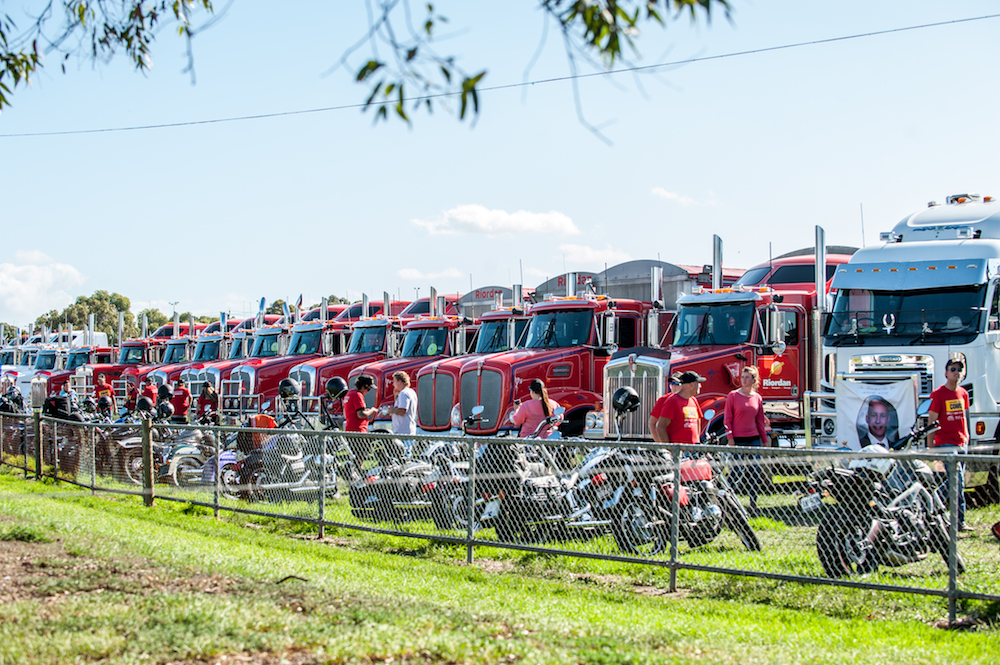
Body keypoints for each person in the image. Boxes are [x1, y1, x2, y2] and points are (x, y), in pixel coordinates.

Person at [928, 359, 972, 532]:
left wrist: (967, 435)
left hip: (961, 442)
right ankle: (958, 521)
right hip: (945, 443)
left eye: (960, 370)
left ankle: (932, 503)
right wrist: (930, 445)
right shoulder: (938, 394)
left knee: (955, 481)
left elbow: (964, 416)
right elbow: (932, 420)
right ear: (946, 373)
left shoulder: (963, 393)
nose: (957, 372)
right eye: (953, 369)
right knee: (957, 480)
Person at [724, 366, 770, 515]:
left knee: (755, 471)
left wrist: (764, 439)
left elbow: (760, 420)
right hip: (738, 438)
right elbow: (727, 419)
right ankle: (726, 501)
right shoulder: (733, 396)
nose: (744, 380)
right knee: (736, 471)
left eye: (747, 377)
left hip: (753, 438)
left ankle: (753, 504)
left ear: (753, 380)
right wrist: (730, 437)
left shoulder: (757, 398)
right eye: (742, 377)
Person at [652, 371, 705, 444]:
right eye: (698, 384)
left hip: (693, 452)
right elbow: (660, 427)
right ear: (691, 385)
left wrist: (697, 442)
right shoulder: (672, 401)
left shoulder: (693, 400)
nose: (700, 386)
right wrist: (669, 449)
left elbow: (697, 422)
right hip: (678, 452)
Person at [343, 375, 380, 464]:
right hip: (358, 430)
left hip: (350, 428)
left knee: (356, 455)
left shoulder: (349, 393)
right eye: (368, 389)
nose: (367, 392)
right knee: (360, 456)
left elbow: (351, 412)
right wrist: (371, 411)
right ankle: (358, 474)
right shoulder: (357, 395)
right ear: (363, 386)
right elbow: (361, 414)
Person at [649, 372, 683, 442]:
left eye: (677, 384)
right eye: (671, 383)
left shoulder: (689, 399)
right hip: (670, 444)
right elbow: (652, 423)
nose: (673, 386)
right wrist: (660, 444)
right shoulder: (663, 400)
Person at [387, 371, 417, 436]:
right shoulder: (411, 392)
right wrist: (396, 397)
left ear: (399, 381)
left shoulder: (404, 393)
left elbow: (403, 410)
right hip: (409, 430)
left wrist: (391, 410)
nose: (393, 384)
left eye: (394, 381)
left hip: (403, 432)